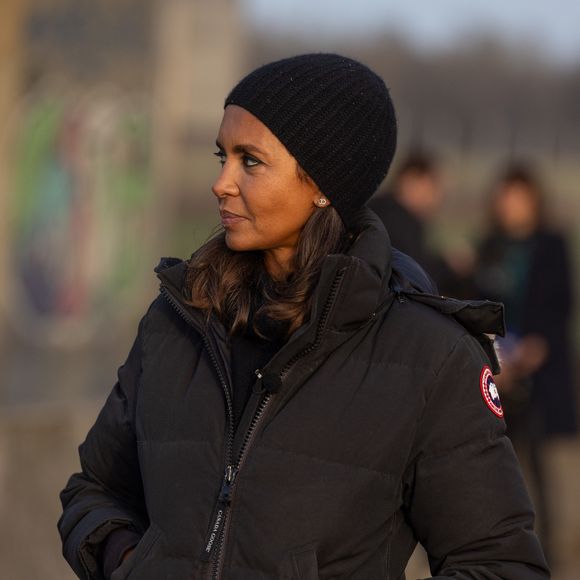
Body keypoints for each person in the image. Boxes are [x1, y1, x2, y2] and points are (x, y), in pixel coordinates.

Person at [58, 54, 549, 580]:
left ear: (321, 184)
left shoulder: (428, 356)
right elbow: (95, 489)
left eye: (250, 161)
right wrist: (128, 561)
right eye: (220, 155)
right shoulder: (178, 319)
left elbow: (501, 565)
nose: (220, 182)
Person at [474, 163, 577, 563]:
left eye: (519, 199)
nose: (511, 207)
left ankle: (560, 562)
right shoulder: (489, 246)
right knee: (509, 485)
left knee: (554, 487)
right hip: (501, 379)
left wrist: (536, 349)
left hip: (545, 380)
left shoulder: (552, 245)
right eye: (505, 199)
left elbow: (561, 306)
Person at [369, 152, 474, 298]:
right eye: (434, 187)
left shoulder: (375, 210)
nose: (437, 198)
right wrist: (449, 265)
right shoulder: (400, 221)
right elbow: (415, 275)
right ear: (412, 180)